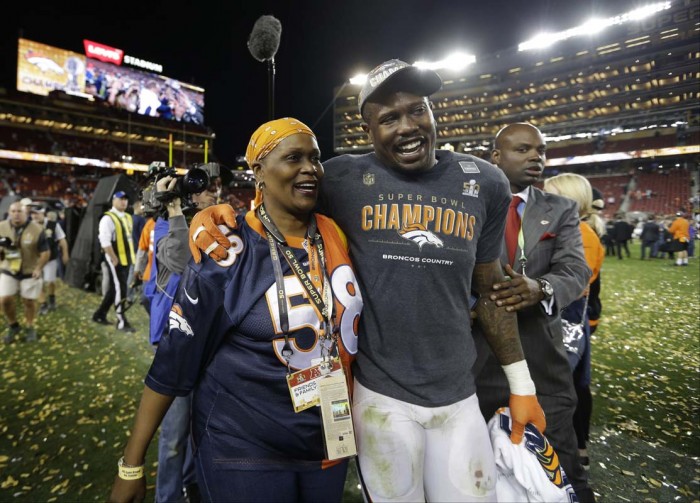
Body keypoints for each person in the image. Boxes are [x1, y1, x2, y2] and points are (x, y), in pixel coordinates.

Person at [186, 60, 546, 502]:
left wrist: (522, 386)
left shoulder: (484, 181)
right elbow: (276, 204)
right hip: (379, 396)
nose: (407, 127)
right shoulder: (341, 177)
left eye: (417, 110)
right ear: (368, 130)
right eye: (389, 118)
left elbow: (490, 288)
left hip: (458, 391)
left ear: (434, 113)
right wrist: (216, 216)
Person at [109, 118, 362, 503]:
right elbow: (173, 362)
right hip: (243, 450)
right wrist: (132, 464)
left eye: (315, 158)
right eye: (293, 157)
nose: (310, 167)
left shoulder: (335, 231)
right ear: (258, 171)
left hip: (326, 441)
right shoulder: (225, 249)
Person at [471, 123, 594, 502]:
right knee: (476, 469)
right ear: (496, 156)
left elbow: (576, 271)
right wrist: (471, 305)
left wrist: (539, 288)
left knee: (561, 462)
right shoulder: (466, 206)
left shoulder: (561, 209)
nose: (535, 157)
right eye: (523, 150)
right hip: (475, 359)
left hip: (542, 358)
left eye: (540, 151)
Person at [146, 162, 223, 503]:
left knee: (200, 429)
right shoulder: (164, 224)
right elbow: (178, 259)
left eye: (215, 187)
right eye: (206, 188)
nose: (214, 192)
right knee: (175, 435)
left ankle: (191, 487)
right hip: (176, 344)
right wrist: (174, 207)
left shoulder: (213, 225)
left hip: (208, 342)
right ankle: (167, 497)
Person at [543, 173, 605, 473]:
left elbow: (576, 280)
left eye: (551, 194)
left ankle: (570, 449)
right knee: (577, 381)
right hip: (572, 314)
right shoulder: (576, 229)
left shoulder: (580, 232)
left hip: (569, 315)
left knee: (563, 382)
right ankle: (578, 448)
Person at [0, 201, 50, 343]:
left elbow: (45, 252)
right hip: (8, 269)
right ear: (9, 213)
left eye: (19, 211)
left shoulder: (37, 229)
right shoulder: (1, 227)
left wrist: (39, 268)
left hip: (30, 270)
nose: (16, 214)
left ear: (26, 213)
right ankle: (13, 325)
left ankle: (30, 326)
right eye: (13, 211)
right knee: (4, 300)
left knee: (28, 301)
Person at [92, 191, 136, 332]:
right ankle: (121, 321)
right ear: (113, 201)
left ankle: (99, 314)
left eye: (125, 199)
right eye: (120, 199)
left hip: (125, 258)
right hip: (115, 259)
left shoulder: (128, 217)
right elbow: (104, 241)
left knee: (114, 289)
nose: (123, 202)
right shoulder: (107, 218)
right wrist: (113, 257)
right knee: (120, 289)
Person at [30, 206, 69, 314]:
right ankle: (43, 304)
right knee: (38, 281)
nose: (35, 216)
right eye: (33, 213)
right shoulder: (30, 226)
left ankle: (52, 298)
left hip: (50, 258)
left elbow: (62, 240)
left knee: (50, 281)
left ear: (43, 213)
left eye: (37, 213)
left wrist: (65, 254)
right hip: (35, 259)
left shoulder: (53, 224)